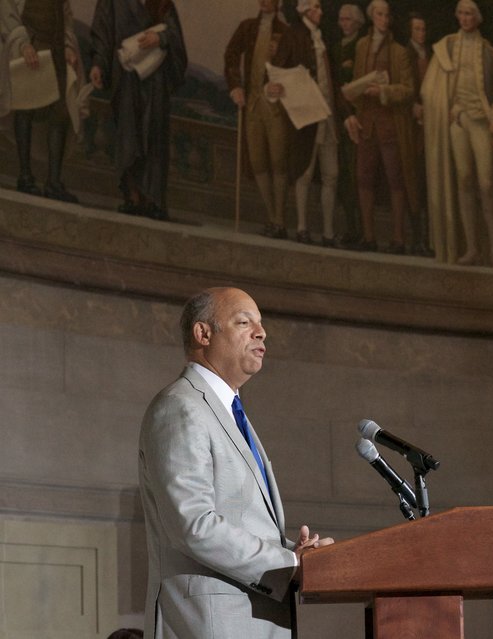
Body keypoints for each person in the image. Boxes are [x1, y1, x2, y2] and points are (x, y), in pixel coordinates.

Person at [139, 287, 333, 638]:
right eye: (244, 322)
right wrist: (290, 564)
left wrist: (299, 555)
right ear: (203, 333)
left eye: (261, 324)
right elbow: (192, 525)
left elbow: (240, 522)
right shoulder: (180, 406)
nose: (261, 333)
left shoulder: (230, 413)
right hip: (212, 624)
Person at [421, 0, 493, 268]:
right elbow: (433, 87)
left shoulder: (490, 52)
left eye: (469, 13)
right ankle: (471, 248)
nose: (464, 18)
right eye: (460, 13)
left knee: (486, 184)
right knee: (464, 180)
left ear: (478, 18)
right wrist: (447, 107)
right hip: (458, 120)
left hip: (482, 121)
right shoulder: (446, 47)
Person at [89, 0, 187, 220]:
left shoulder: (163, 2)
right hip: (126, 78)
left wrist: (160, 38)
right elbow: (103, 32)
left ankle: (153, 200)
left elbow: (175, 37)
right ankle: (132, 196)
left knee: (153, 138)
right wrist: (98, 64)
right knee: (129, 137)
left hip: (155, 84)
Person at [343, 0, 417, 254]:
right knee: (364, 178)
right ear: (372, 17)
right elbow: (354, 84)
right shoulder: (362, 46)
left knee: (395, 179)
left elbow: (408, 89)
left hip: (389, 125)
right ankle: (369, 235)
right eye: (379, 14)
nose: (384, 19)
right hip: (366, 124)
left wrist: (383, 91)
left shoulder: (399, 51)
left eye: (387, 15)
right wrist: (355, 106)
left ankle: (398, 238)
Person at [269, 0, 341, 245]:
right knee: (305, 172)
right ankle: (302, 227)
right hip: (307, 114)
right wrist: (273, 87)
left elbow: (334, 80)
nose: (321, 11)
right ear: (306, 10)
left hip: (328, 115)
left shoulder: (324, 37)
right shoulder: (293, 35)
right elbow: (275, 70)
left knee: (331, 174)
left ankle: (329, 232)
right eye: (317, 7)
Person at [1, 0, 83, 203]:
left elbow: (65, 18)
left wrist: (67, 46)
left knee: (60, 112)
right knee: (25, 108)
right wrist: (23, 44)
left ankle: (54, 182)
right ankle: (25, 176)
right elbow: (7, 12)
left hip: (55, 50)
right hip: (30, 48)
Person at [224, 0, 289, 240]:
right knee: (258, 161)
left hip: (275, 108)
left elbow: (295, 67)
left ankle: (279, 220)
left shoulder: (286, 32)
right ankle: (274, 218)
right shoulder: (247, 27)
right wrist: (235, 87)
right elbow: (230, 56)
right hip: (251, 105)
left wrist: (283, 85)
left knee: (279, 160)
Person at [331, 3, 364, 247]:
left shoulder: (361, 47)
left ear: (357, 22)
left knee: (357, 177)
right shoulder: (336, 47)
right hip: (339, 117)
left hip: (360, 120)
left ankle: (359, 231)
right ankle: (349, 227)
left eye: (348, 20)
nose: (344, 24)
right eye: (341, 20)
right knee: (343, 176)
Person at [406, 11, 433, 256]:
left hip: (431, 122)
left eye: (423, 30)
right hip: (412, 124)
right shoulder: (407, 53)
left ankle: (428, 238)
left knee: (427, 181)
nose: (421, 34)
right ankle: (417, 238)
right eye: (417, 30)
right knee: (414, 182)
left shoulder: (431, 54)